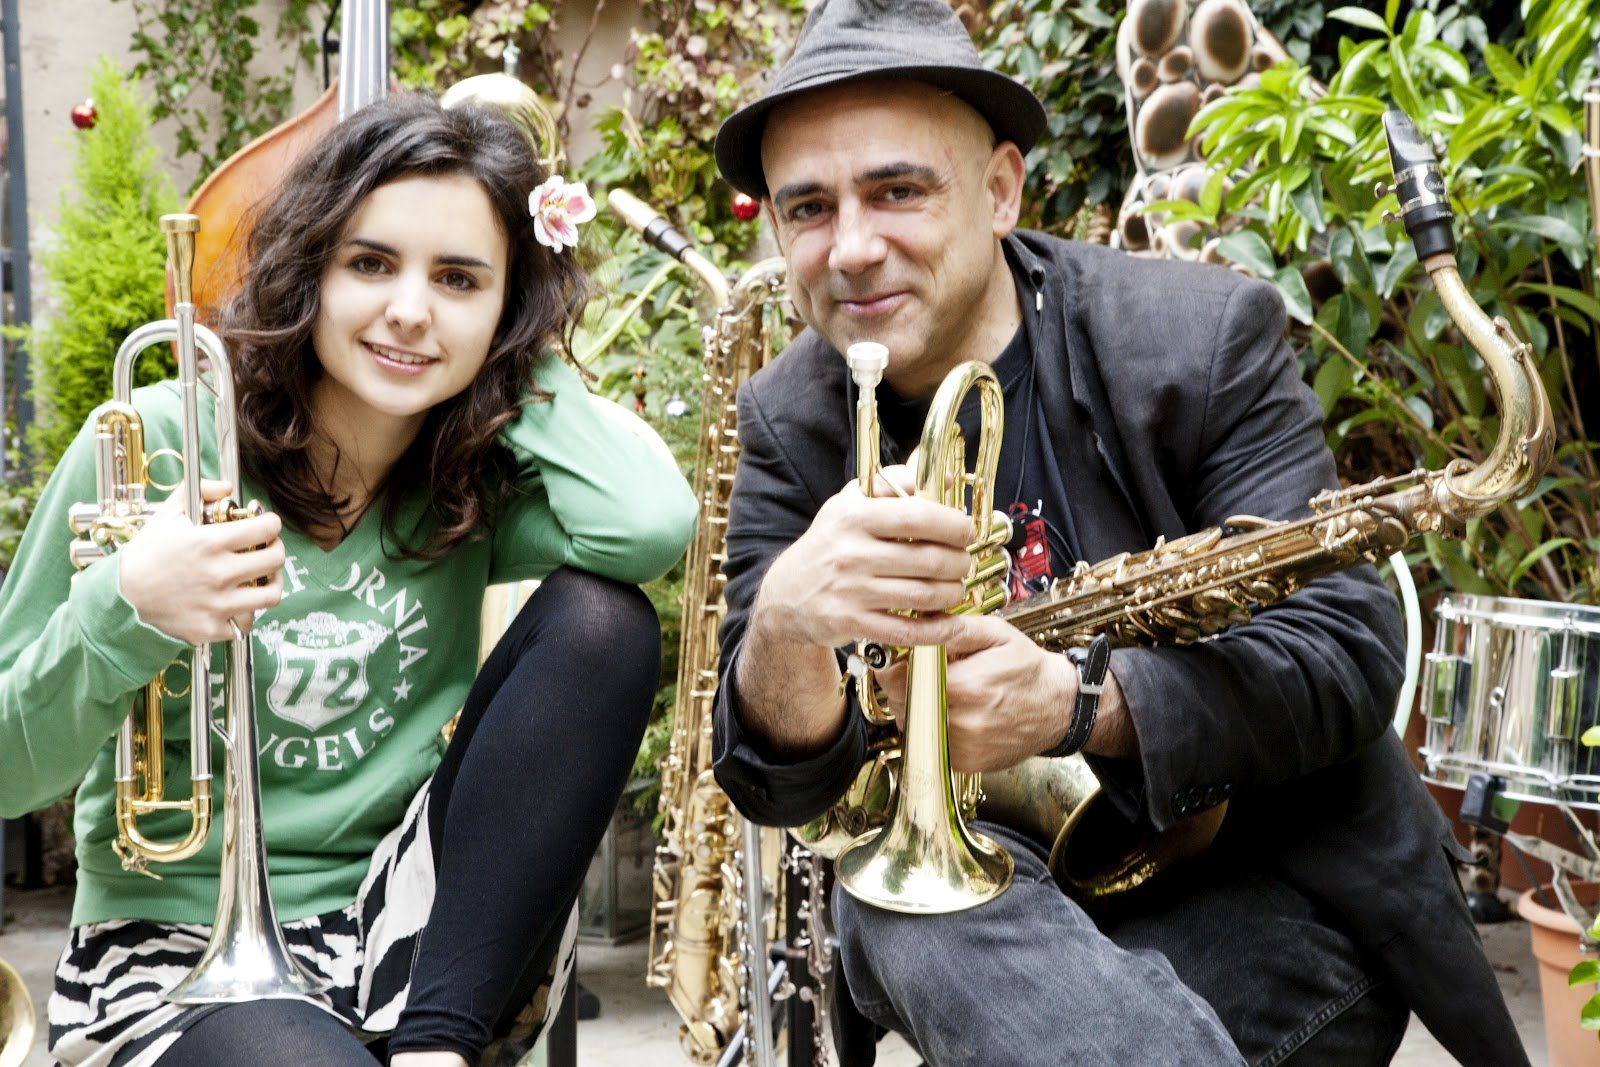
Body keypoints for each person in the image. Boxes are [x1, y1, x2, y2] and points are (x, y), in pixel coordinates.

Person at [707, 2, 1527, 1065]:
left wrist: (1078, 704)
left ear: (1001, 191)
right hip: (995, 908)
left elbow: (1347, 653)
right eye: (809, 208)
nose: (853, 248)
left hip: (1254, 883)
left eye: (898, 190)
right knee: (893, 903)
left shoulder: (1197, 338)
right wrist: (783, 623)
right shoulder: (788, 417)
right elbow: (771, 780)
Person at [0, 89, 697, 1067]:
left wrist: (521, 355)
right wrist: (129, 607)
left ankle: (433, 1050)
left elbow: (649, 524)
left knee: (604, 620)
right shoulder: (160, 443)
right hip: (175, 949)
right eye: (369, 263)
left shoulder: (471, 483)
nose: (409, 310)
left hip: (412, 931)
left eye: (459, 279)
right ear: (309, 269)